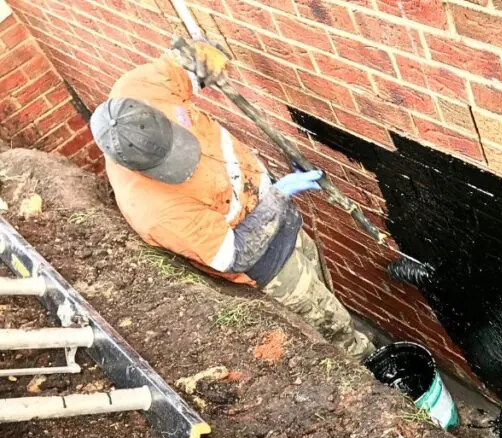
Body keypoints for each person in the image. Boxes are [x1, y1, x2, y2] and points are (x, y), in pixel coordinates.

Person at [88, 40, 374, 360]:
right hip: (267, 266)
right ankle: (364, 366)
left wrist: (206, 61)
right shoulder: (154, 211)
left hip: (282, 219)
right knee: (331, 328)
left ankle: (344, 330)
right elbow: (236, 255)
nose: (189, 162)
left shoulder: (138, 90)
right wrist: (279, 196)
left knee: (322, 288)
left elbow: (184, 63)